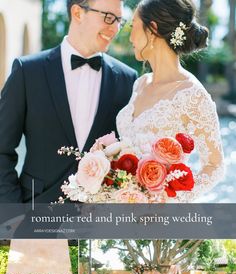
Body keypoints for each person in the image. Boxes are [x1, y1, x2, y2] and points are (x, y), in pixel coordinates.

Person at [0, 0, 137, 203]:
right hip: (35, 215)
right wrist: (13, 219)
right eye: (108, 17)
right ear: (78, 13)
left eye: (119, 20)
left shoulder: (128, 79)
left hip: (99, 224)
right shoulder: (28, 72)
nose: (115, 28)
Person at [116, 0, 224, 202]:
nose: (130, 37)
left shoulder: (191, 94)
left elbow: (215, 165)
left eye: (133, 26)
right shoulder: (140, 84)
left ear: (152, 29)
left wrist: (171, 199)